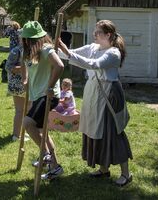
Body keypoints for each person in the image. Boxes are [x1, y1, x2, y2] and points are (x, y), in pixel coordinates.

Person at [58, 19, 132, 187]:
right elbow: (69, 54)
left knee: (112, 132)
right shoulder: (92, 48)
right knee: (95, 130)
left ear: (108, 35)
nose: (94, 35)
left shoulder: (114, 53)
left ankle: (126, 174)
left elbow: (94, 64)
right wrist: (57, 47)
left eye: (98, 32)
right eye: (95, 32)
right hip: (93, 93)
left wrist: (67, 53)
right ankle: (104, 169)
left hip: (108, 95)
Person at [21, 20, 64, 181]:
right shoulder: (29, 51)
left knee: (27, 123)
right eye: (25, 39)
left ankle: (45, 155)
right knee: (41, 132)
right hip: (37, 95)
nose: (26, 41)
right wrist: (25, 79)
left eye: (29, 39)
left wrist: (50, 86)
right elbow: (24, 63)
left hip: (48, 95)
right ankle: (55, 167)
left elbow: (59, 66)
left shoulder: (46, 49)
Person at [5, 29, 30, 141]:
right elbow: (8, 67)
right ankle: (16, 135)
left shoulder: (32, 50)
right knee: (20, 110)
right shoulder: (16, 51)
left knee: (28, 110)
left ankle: (23, 132)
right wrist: (25, 68)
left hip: (29, 84)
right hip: (18, 85)